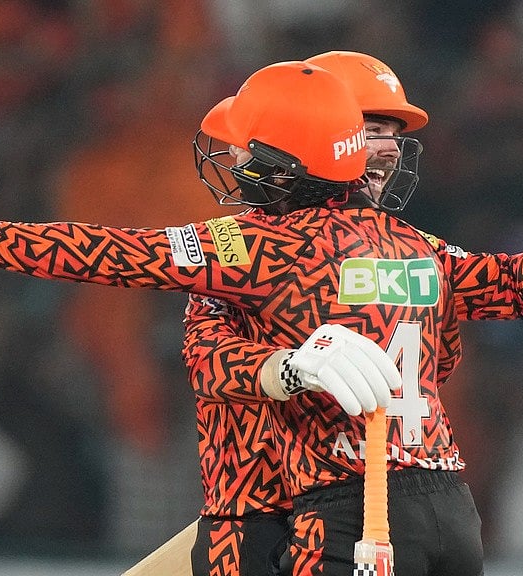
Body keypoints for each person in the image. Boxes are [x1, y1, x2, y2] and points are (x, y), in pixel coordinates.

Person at [0, 59, 523, 575]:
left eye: (246, 147)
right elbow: (496, 285)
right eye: (370, 129)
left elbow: (102, 252)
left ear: (286, 154)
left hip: (318, 514)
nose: (383, 151)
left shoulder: (246, 243)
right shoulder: (408, 242)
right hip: (435, 506)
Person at [180, 50, 426, 576]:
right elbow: (208, 361)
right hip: (263, 523)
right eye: (368, 129)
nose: (381, 151)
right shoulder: (235, 245)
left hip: (337, 519)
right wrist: (288, 368)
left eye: (386, 133)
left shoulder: (409, 251)